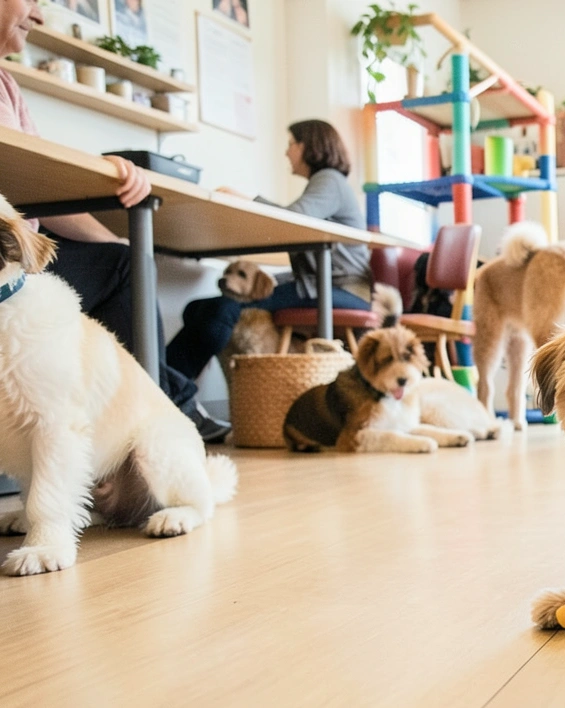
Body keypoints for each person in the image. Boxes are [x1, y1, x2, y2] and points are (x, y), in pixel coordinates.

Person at [0, 0, 229, 442]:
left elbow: (42, 189)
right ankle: (168, 414)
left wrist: (119, 244)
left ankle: (146, 416)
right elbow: (26, 174)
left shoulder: (6, 83)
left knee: (127, 263)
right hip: (9, 263)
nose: (40, 16)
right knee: (127, 267)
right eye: (31, 0)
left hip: (20, 256)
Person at [166, 120, 373, 381]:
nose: (287, 152)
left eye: (291, 144)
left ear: (308, 146)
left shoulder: (329, 179)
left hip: (341, 290)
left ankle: (169, 388)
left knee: (222, 309)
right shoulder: (329, 182)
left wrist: (246, 201)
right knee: (197, 308)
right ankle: (170, 387)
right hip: (323, 286)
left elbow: (296, 219)